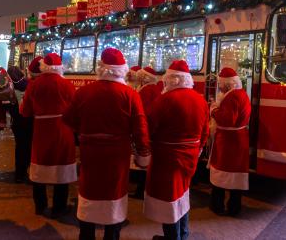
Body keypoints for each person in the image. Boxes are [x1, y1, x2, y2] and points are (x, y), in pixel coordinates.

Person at [63, 48, 150, 240]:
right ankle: (111, 235)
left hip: (90, 152)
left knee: (89, 191)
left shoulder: (84, 92)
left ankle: (86, 235)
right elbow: (140, 129)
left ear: (101, 68)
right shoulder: (130, 95)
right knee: (115, 193)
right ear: (122, 70)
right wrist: (143, 155)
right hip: (117, 155)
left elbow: (68, 119)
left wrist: (85, 131)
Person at [144, 60, 209, 240]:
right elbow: (205, 131)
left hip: (167, 158)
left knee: (169, 201)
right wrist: (199, 148)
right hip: (190, 156)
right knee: (183, 196)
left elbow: (150, 126)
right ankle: (183, 234)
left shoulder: (165, 99)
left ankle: (172, 237)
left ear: (171, 79)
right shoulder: (200, 100)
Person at [21, 53, 77, 217]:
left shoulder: (34, 84)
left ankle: (40, 206)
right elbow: (75, 110)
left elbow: (25, 111)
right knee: (62, 168)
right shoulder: (67, 84)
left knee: (39, 166)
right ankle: (59, 207)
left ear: (43, 66)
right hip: (63, 130)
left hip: (42, 129)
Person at [209, 67, 251, 217]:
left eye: (220, 83)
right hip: (238, 139)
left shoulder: (232, 97)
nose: (219, 85)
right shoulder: (242, 94)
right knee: (236, 178)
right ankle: (234, 207)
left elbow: (227, 120)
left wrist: (213, 110)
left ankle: (217, 205)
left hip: (228, 141)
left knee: (221, 174)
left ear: (227, 84)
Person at [131, 66, 162, 199]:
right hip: (151, 129)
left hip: (146, 129)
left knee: (144, 160)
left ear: (144, 78)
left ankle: (141, 190)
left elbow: (141, 111)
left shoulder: (146, 91)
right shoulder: (153, 89)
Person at [6, 66, 32, 183]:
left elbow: (6, 106)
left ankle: (19, 174)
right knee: (28, 147)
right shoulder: (29, 84)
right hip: (29, 121)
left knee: (20, 147)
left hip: (17, 122)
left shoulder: (8, 88)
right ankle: (26, 171)